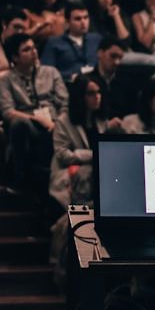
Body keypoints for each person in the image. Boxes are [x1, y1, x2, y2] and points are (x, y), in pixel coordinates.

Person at [0, 34, 68, 192]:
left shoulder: (51, 72)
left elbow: (65, 103)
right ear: (15, 57)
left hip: (56, 123)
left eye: (34, 48)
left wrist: (58, 124)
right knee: (17, 124)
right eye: (27, 50)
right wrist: (37, 119)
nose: (34, 52)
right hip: (30, 126)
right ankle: (20, 177)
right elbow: (8, 112)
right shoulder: (6, 80)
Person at [48, 74, 119, 209]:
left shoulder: (101, 120)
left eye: (99, 92)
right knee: (87, 172)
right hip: (69, 173)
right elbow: (63, 155)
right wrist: (94, 155)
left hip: (97, 172)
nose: (97, 96)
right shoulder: (64, 121)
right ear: (80, 96)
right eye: (91, 93)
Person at [40, 3, 101, 80]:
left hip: (96, 83)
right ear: (67, 22)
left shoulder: (96, 39)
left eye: (86, 18)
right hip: (69, 84)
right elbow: (46, 73)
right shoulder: (54, 42)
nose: (83, 22)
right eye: (78, 19)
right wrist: (70, 76)